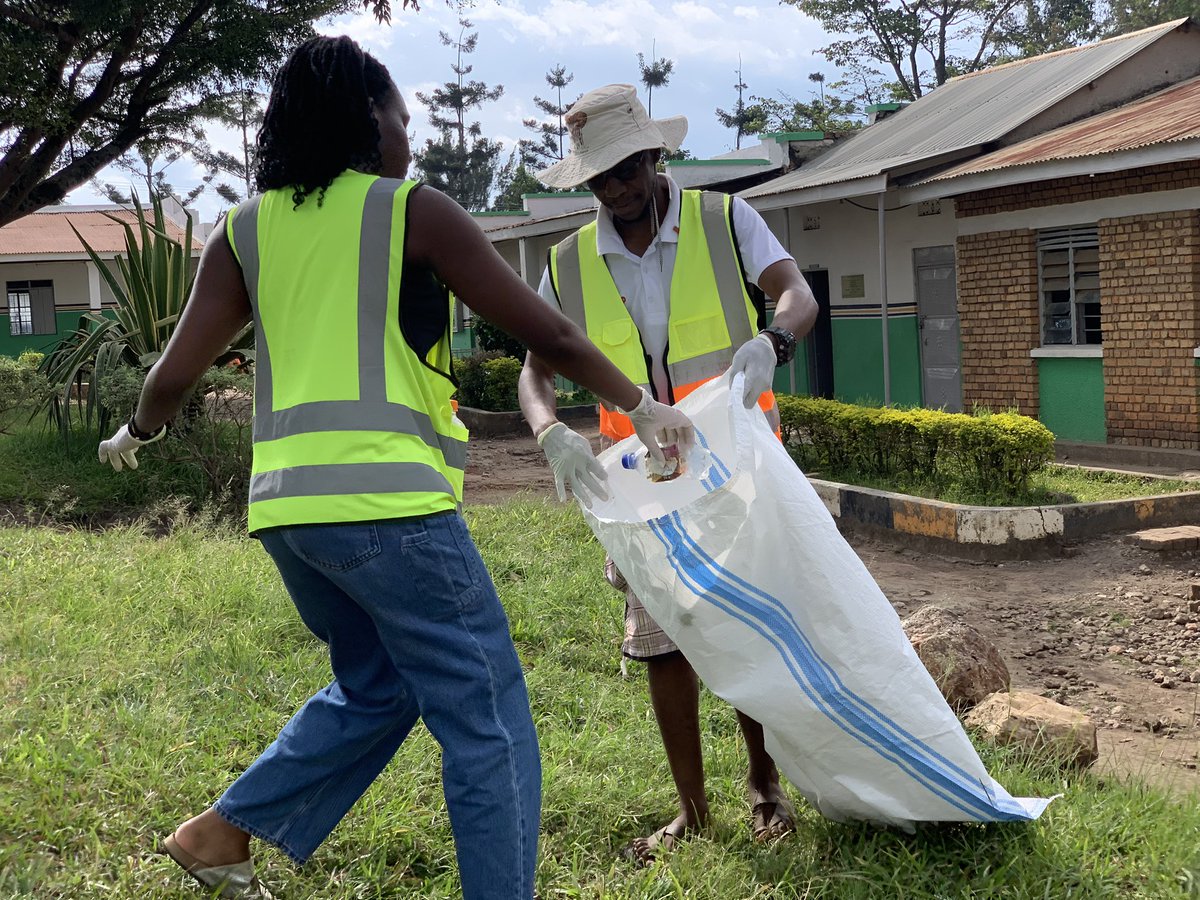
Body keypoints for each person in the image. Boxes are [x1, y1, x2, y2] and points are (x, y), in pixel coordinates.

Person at [97, 41, 693, 900]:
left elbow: (173, 375)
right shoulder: (411, 211)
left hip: (287, 519)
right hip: (388, 508)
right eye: (401, 121)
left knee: (378, 687)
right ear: (364, 121)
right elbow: (552, 337)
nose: (408, 139)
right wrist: (642, 405)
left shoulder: (245, 229)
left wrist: (137, 433)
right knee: (488, 718)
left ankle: (220, 832)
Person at [518, 84, 820, 864]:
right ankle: (694, 810)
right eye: (597, 178)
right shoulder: (568, 263)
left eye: (623, 169)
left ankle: (764, 785)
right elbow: (536, 373)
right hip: (641, 483)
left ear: (655, 155)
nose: (613, 189)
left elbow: (797, 295)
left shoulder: (726, 221)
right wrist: (549, 430)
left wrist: (773, 342)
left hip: (736, 466)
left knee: (750, 623)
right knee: (663, 643)